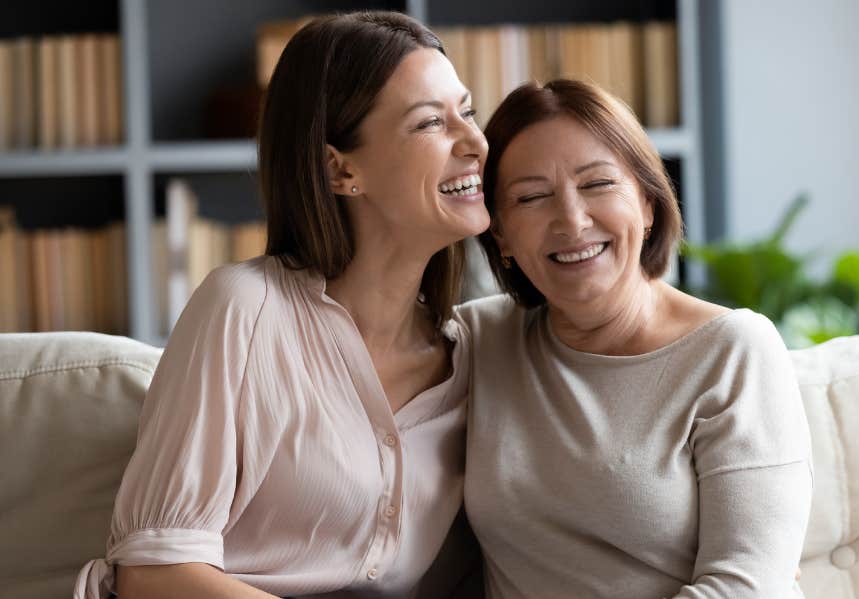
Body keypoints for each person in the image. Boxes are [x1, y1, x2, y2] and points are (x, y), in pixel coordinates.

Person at [74, 11, 486, 599]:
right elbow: (154, 573)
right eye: (430, 124)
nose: (475, 142)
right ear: (340, 169)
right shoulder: (244, 311)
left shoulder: (474, 355)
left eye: (467, 112)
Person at [458, 79, 814, 598]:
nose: (572, 221)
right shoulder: (480, 341)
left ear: (648, 203)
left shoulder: (733, 351)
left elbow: (748, 586)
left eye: (598, 184)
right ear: (501, 235)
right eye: (532, 197)